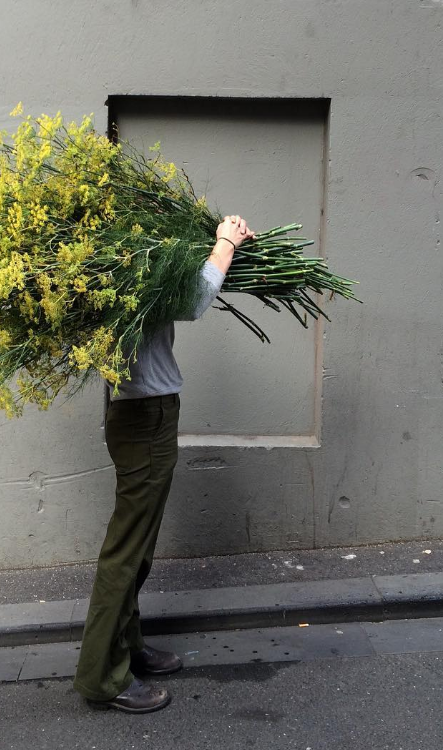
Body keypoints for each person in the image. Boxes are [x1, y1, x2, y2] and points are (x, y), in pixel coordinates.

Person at [73, 215, 256, 714]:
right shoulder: (123, 265)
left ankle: (126, 647)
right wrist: (225, 243)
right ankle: (101, 677)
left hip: (136, 414)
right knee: (126, 551)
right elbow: (193, 299)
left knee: (138, 548)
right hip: (144, 416)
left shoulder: (97, 263)